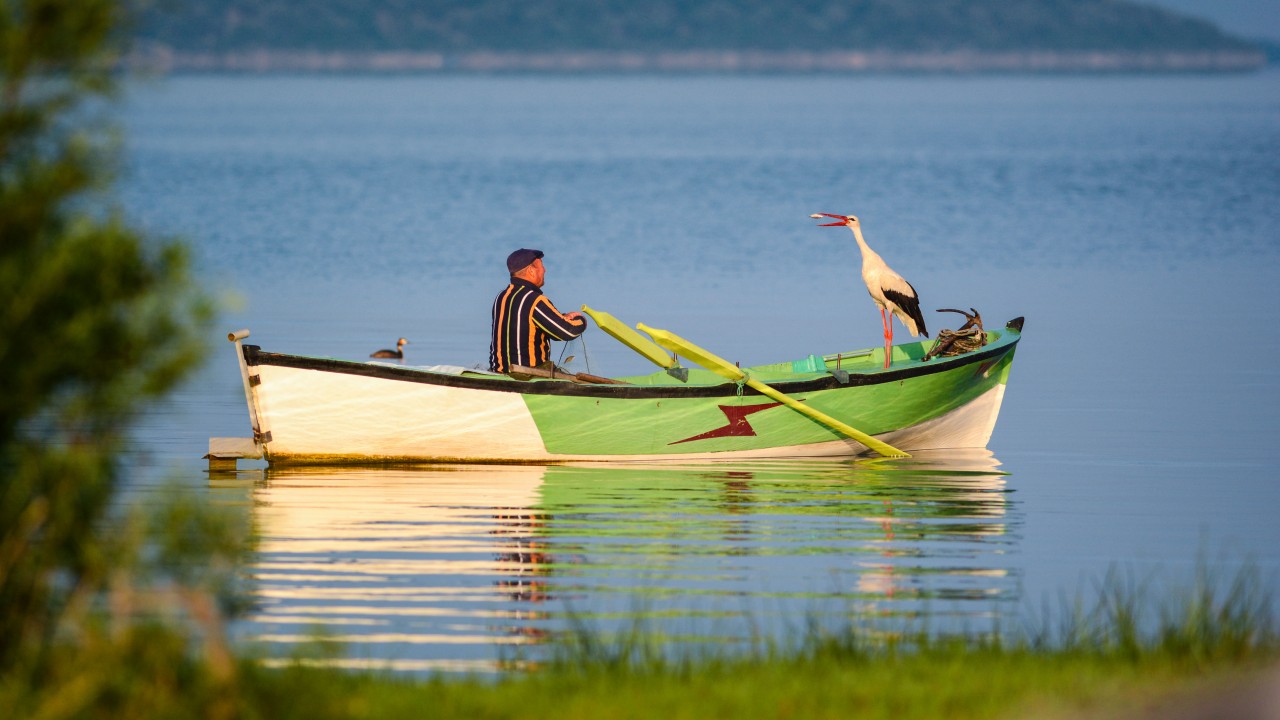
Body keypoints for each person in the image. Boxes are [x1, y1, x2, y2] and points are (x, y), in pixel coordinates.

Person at [489, 248, 587, 373]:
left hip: (498, 371)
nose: (545, 270)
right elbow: (566, 331)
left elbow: (527, 320)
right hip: (526, 376)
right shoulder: (534, 300)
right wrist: (581, 320)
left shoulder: (501, 297)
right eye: (541, 266)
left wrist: (562, 317)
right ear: (531, 271)